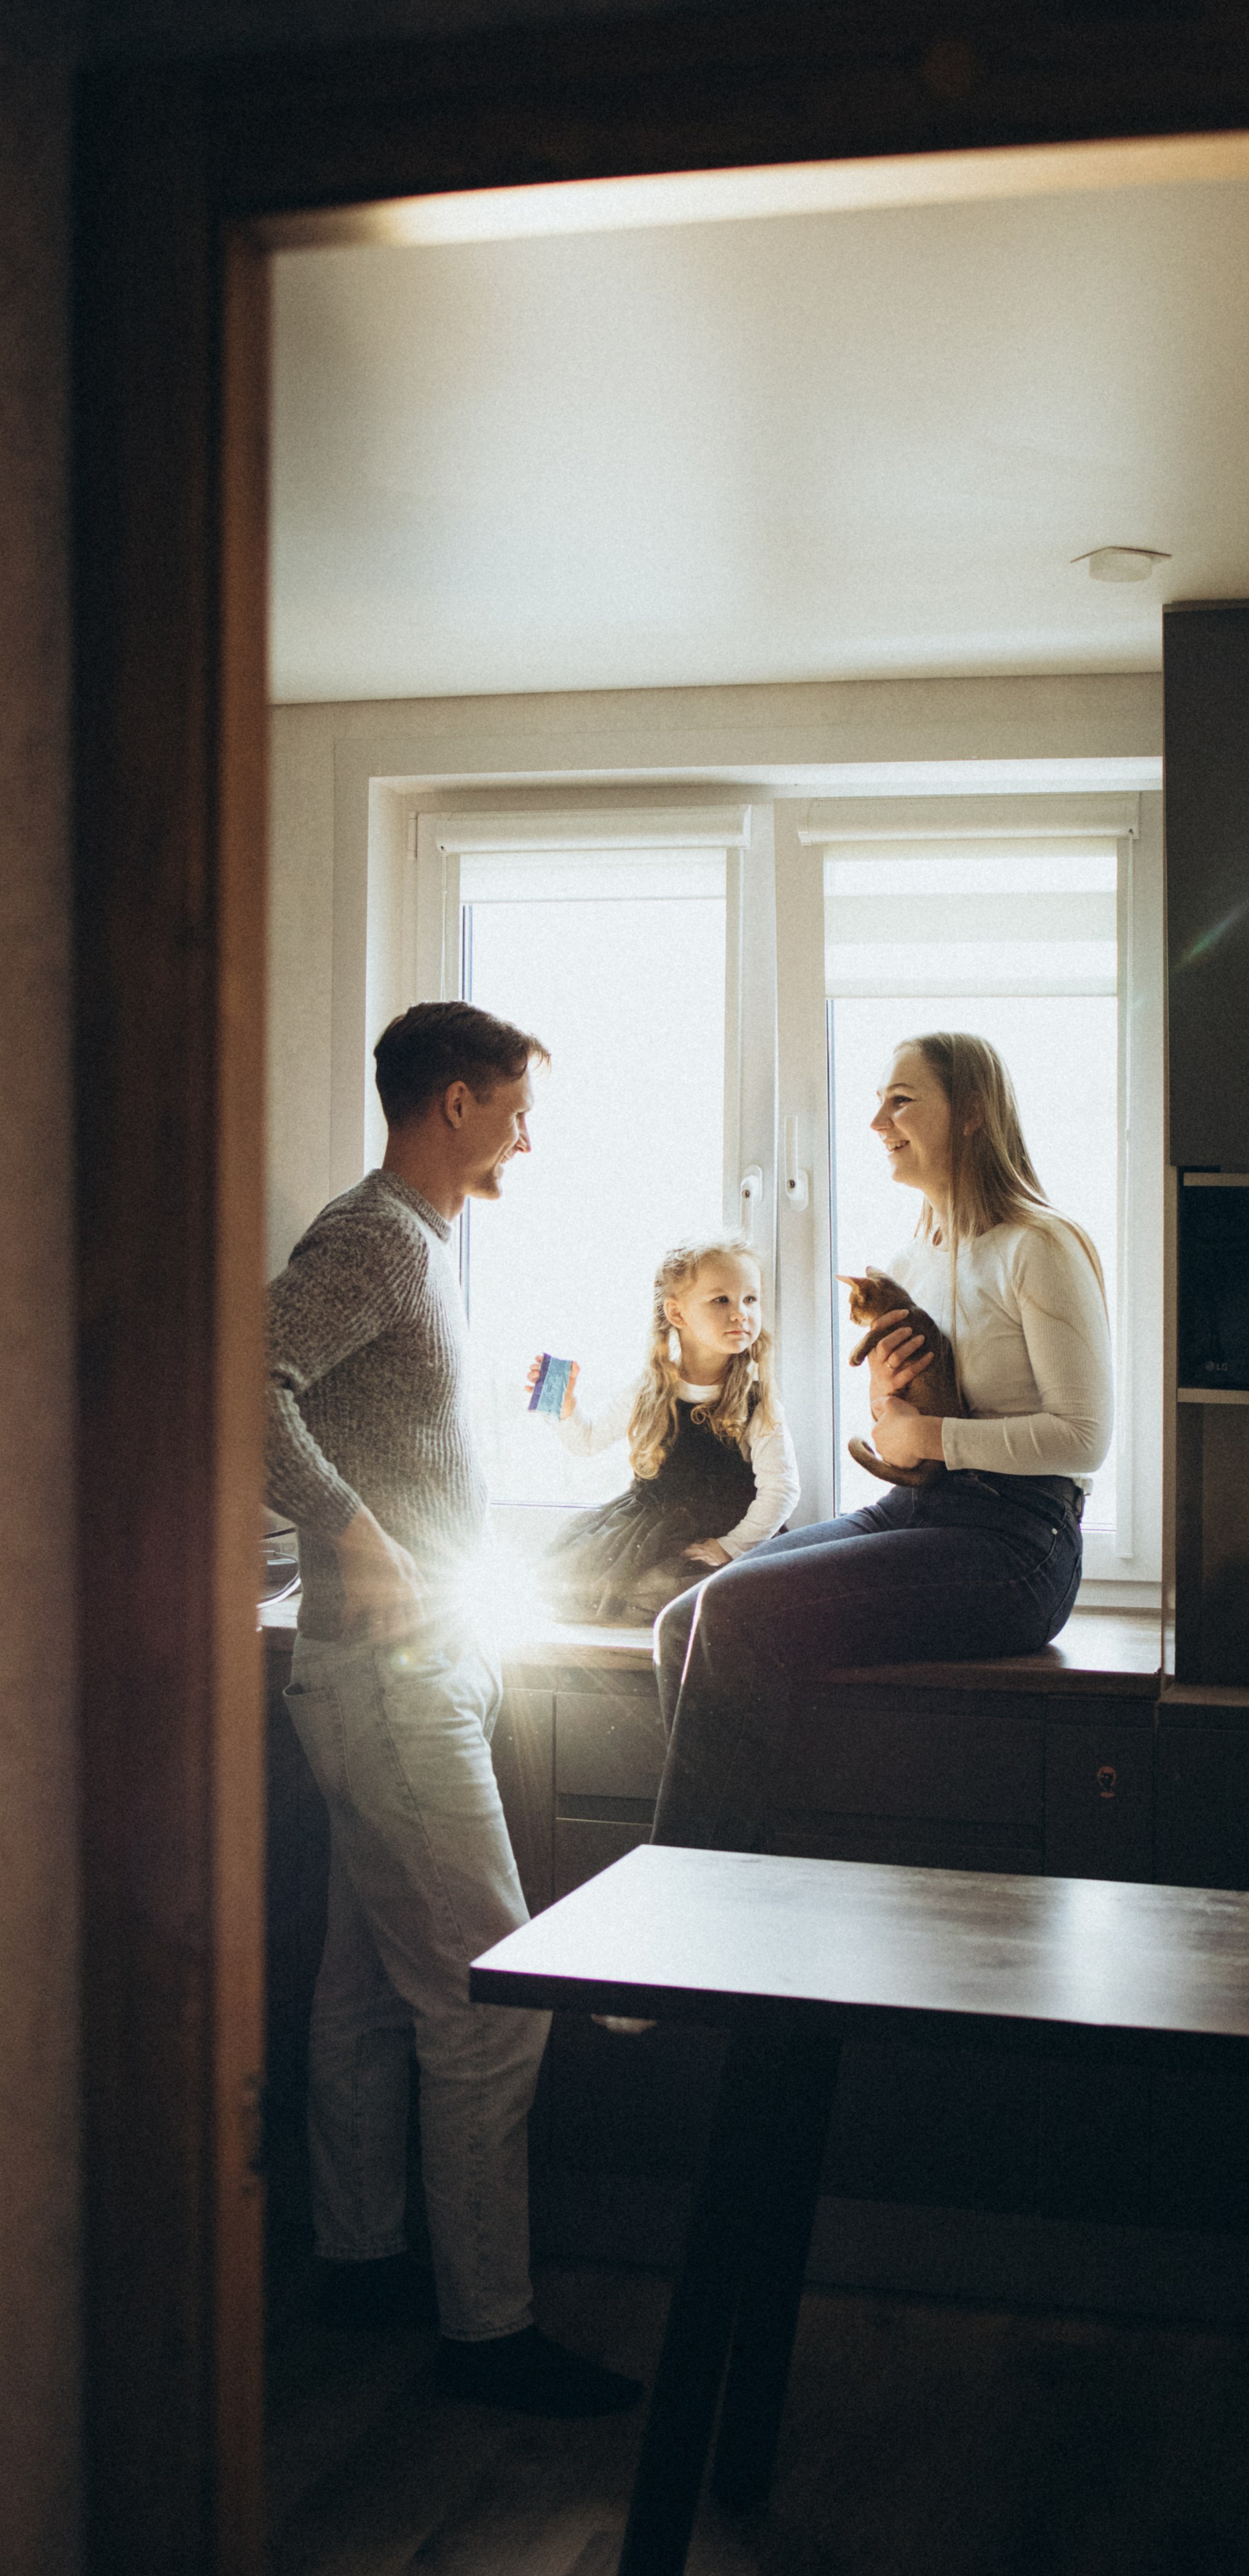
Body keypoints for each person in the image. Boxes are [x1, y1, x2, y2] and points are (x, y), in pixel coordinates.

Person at [264, 998, 639, 2418]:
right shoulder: (370, 1237)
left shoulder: (421, 1250)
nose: (527, 1135)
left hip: (397, 1671)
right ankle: (488, 2337)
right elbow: (246, 1378)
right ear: (453, 1103)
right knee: (494, 2010)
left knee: (366, 1994)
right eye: (514, 1106)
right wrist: (348, 1529)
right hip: (382, 1674)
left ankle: (359, 2265)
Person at [650, 1030, 1113, 1851]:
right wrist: (898, 1431)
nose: (876, 1122)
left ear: (970, 1114)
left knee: (730, 1614)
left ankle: (699, 1894)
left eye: (901, 1100)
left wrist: (928, 1430)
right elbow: (908, 1448)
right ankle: (745, 1868)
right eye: (878, 1102)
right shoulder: (911, 1258)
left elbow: (1083, 1438)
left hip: (1018, 1544)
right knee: (683, 1620)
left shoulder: (1037, 1245)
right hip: (918, 1508)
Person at [525, 1236, 799, 1624]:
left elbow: (782, 1488)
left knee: (696, 1591)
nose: (741, 1314)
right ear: (677, 1314)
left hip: (727, 1532)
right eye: (721, 1300)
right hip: (650, 1532)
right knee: (585, 1582)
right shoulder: (651, 1388)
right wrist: (565, 1409)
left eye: (750, 1300)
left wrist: (730, 1547)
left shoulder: (758, 1400)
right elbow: (587, 1442)